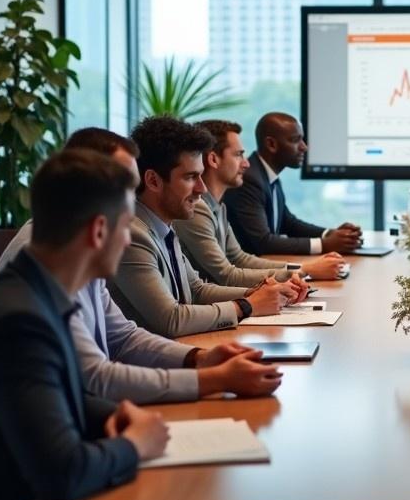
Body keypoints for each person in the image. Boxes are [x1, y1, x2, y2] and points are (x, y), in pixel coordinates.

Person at [0, 150, 268, 500]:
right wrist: (137, 444)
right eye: (125, 226)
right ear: (97, 231)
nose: (130, 240)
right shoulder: (19, 321)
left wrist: (114, 414)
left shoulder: (40, 289)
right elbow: (63, 474)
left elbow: (62, 393)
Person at [0, 128, 285, 403]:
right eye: (126, 184)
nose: (134, 198)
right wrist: (212, 379)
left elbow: (122, 337)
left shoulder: (83, 254)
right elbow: (96, 376)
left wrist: (198, 358)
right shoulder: (47, 262)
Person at [108, 116, 308, 339]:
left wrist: (262, 294)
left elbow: (196, 290)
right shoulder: (133, 234)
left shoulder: (164, 226)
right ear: (153, 181)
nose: (201, 189)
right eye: (191, 177)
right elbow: (171, 319)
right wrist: (247, 305)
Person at [176, 119, 347, 285]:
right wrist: (305, 271)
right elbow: (227, 275)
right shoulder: (197, 209)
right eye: (238, 155)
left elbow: (240, 258)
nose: (246, 163)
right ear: (214, 160)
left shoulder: (217, 206)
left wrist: (304, 268)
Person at [225, 111, 363, 256]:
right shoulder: (249, 180)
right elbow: (263, 242)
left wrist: (330, 234)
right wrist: (324, 244)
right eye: (295, 140)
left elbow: (287, 222)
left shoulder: (267, 175)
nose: (304, 147)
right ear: (271, 144)